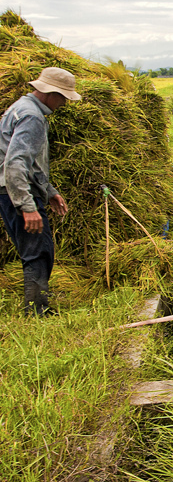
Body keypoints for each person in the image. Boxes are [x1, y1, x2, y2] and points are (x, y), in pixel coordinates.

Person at [0, 67, 81, 316]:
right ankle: (37, 312)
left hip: (13, 190)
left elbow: (29, 163)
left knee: (39, 248)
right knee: (37, 251)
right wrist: (27, 206)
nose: (65, 103)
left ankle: (38, 305)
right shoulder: (32, 117)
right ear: (50, 93)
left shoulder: (20, 108)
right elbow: (15, 163)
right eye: (63, 97)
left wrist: (49, 191)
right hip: (15, 192)